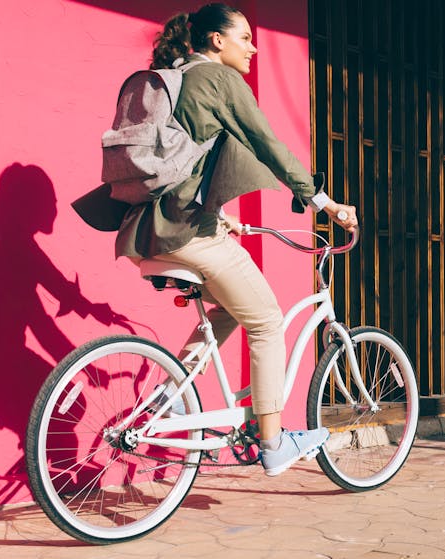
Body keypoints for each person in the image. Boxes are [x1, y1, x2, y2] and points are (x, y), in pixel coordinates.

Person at [122, 3, 357, 476]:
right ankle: (272, 444)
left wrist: (221, 215)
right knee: (268, 320)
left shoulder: (177, 75)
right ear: (216, 41)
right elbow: (269, 144)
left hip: (152, 230)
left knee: (232, 307)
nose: (253, 47)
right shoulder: (220, 80)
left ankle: (172, 393)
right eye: (245, 37)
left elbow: (187, 161)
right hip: (189, 233)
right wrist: (325, 203)